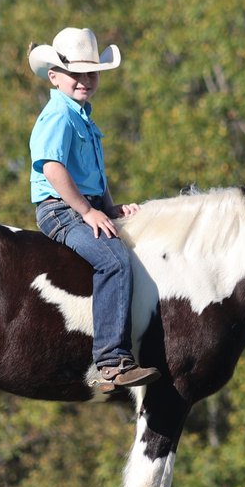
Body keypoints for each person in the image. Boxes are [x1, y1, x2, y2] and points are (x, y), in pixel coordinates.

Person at [27, 27, 160, 392]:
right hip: (60, 209)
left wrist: (107, 207)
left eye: (91, 73)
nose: (84, 80)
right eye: (76, 74)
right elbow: (53, 168)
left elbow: (94, 176)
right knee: (113, 259)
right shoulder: (59, 115)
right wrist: (87, 212)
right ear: (54, 77)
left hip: (79, 204)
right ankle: (111, 362)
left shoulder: (82, 114)